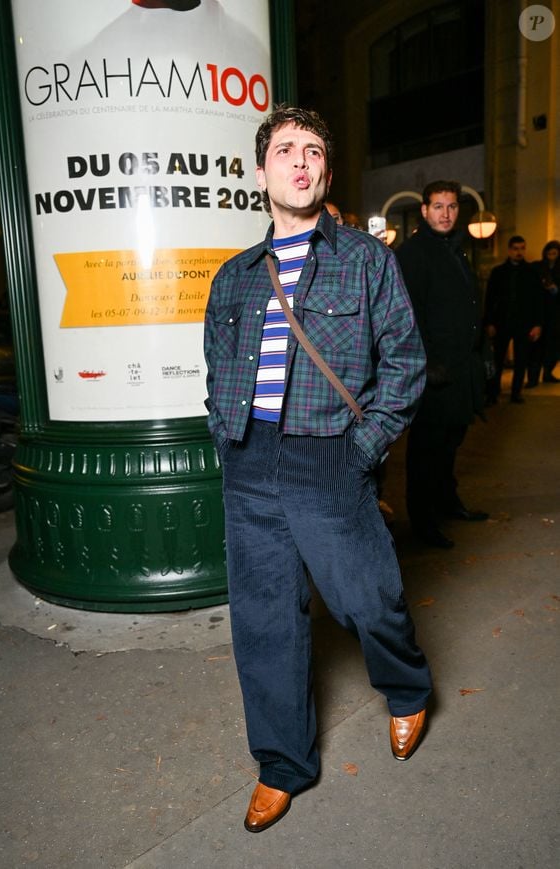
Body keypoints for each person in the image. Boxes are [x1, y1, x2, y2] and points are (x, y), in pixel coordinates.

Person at [204, 105, 432, 833]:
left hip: (328, 453)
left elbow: (405, 364)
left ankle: (405, 688)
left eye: (312, 152)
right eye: (283, 150)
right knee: (264, 621)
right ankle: (282, 764)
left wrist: (362, 451)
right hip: (248, 460)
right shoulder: (234, 277)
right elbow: (217, 370)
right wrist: (225, 436)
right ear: (262, 170)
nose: (299, 162)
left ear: (325, 171)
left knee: (368, 598)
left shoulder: (365, 259)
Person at [395, 180, 488, 550]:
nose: (446, 214)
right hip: (433, 373)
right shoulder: (413, 253)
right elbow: (406, 315)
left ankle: (448, 503)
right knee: (427, 450)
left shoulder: (457, 249)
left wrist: (484, 355)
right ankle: (423, 521)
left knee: (451, 443)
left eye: (451, 207)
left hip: (462, 368)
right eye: (438, 207)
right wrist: (426, 362)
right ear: (424, 210)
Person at [484, 236, 544, 403]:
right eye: (516, 248)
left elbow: (538, 300)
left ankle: (516, 393)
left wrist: (537, 324)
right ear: (510, 250)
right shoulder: (498, 272)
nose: (519, 252)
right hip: (501, 321)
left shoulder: (532, 272)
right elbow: (489, 299)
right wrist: (489, 322)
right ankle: (492, 393)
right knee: (497, 359)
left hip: (523, 322)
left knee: (521, 360)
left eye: (522, 248)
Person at [527, 240, 560, 385]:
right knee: (537, 346)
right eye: (549, 253)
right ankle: (533, 377)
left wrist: (555, 288)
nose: (551, 256)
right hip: (540, 310)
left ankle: (547, 372)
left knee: (553, 346)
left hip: (556, 312)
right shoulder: (538, 267)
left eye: (554, 253)